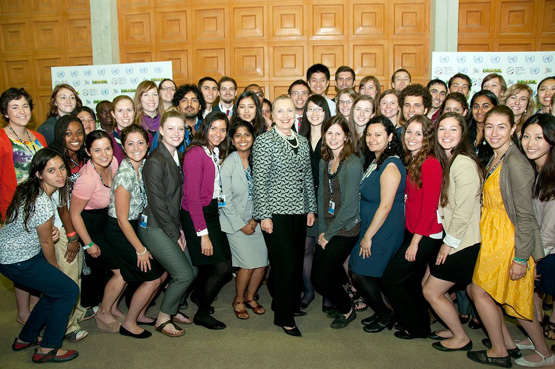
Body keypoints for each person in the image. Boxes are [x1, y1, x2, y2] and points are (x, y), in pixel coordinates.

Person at [468, 106, 552, 367]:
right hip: (493, 235)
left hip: (507, 238)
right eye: (489, 126)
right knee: (502, 295)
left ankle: (501, 351)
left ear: (513, 129)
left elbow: (526, 217)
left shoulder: (516, 164)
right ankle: (507, 344)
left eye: (501, 127)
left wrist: (520, 257)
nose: (494, 132)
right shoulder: (498, 157)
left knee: (484, 292)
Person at [0, 148, 79, 363]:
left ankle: (26, 338)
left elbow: (32, 227)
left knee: (54, 292)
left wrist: (50, 231)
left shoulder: (30, 190)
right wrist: (54, 267)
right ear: (39, 174)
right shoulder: (42, 201)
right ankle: (48, 348)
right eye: (51, 170)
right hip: (18, 260)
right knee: (68, 290)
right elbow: (46, 242)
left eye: (61, 168)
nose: (60, 174)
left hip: (11, 254)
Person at [252, 95, 317, 337]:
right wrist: (264, 215)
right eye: (280, 111)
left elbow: (307, 178)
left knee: (294, 263)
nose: (285, 115)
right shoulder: (264, 141)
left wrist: (311, 208)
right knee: (285, 265)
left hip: (299, 213)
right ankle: (284, 317)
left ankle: (284, 304)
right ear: (272, 115)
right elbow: (259, 182)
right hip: (275, 214)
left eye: (289, 111)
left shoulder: (302, 141)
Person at [421, 112, 483, 351]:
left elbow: (464, 211)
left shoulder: (464, 163)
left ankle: (461, 337)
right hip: (452, 238)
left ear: (462, 133)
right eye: (442, 129)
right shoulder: (449, 160)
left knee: (431, 290)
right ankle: (452, 325)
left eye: (453, 129)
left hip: (463, 242)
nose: (446, 134)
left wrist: (449, 243)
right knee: (431, 283)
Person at [381, 115, 443, 340]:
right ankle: (419, 324)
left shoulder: (431, 163)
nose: (412, 137)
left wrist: (415, 242)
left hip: (425, 234)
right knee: (410, 282)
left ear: (427, 137)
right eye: (409, 132)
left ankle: (414, 325)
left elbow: (429, 208)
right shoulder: (413, 160)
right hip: (413, 229)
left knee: (392, 278)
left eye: (419, 133)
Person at [106, 124, 167, 338]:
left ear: (148, 145)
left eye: (140, 142)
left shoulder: (141, 167)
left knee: (162, 271)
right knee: (152, 277)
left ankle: (140, 313)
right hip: (121, 230)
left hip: (136, 226)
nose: (136, 147)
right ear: (123, 146)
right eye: (130, 143)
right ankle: (129, 323)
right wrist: (140, 250)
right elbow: (122, 220)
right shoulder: (125, 175)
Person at [138, 110, 195, 337]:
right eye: (170, 128)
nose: (176, 133)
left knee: (193, 268)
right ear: (160, 131)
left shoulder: (175, 156)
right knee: (184, 274)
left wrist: (179, 229)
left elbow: (175, 202)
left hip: (170, 224)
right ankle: (163, 318)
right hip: (153, 227)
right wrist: (175, 234)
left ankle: (173, 309)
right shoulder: (155, 161)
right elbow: (159, 205)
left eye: (180, 129)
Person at [349, 116, 406, 333]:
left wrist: (368, 236)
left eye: (378, 135)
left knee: (360, 273)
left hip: (383, 228)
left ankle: (386, 314)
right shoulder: (376, 160)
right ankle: (382, 310)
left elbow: (386, 206)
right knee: (360, 270)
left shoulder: (391, 164)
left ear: (390, 137)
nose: (372, 139)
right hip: (371, 225)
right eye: (369, 134)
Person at [0, 87, 47, 326]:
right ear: (6, 112)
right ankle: (22, 311)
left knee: (36, 257)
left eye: (25, 106)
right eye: (15, 107)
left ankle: (33, 302)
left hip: (39, 207)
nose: (21, 111)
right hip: (15, 211)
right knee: (23, 261)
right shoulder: (1, 139)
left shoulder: (38, 137)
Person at [181, 111, 232, 330]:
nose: (218, 134)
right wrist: (203, 235)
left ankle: (199, 296)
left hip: (211, 211)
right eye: (214, 129)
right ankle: (201, 313)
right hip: (197, 214)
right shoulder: (195, 153)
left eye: (223, 130)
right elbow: (192, 198)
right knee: (222, 267)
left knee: (212, 265)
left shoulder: (214, 151)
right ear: (205, 128)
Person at [70, 130, 124, 333]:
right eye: (97, 150)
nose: (104, 154)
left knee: (127, 263)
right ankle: (103, 312)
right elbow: (74, 214)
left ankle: (113, 306)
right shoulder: (87, 179)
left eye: (108, 148)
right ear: (88, 151)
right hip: (91, 227)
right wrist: (88, 243)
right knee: (122, 272)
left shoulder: (114, 164)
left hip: (108, 222)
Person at [312, 116, 362, 329]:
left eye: (338, 133)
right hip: (329, 227)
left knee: (321, 276)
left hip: (347, 228)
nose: (333, 138)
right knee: (319, 274)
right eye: (329, 133)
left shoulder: (353, 163)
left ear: (346, 136)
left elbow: (350, 207)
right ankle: (344, 300)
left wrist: (329, 234)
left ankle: (347, 308)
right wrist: (322, 232)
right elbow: (322, 198)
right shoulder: (325, 161)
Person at [219, 120, 268, 320]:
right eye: (238, 135)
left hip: (255, 220)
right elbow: (225, 201)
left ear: (253, 138)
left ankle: (250, 297)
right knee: (247, 265)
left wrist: (255, 221)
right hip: (234, 222)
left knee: (262, 263)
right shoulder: (228, 163)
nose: (243, 139)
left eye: (247, 134)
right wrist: (242, 225)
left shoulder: (259, 160)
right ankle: (238, 299)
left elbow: (264, 193)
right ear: (232, 140)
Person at [50, 115, 90, 342]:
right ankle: (67, 326)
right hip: (63, 229)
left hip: (79, 225)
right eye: (68, 133)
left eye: (78, 133)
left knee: (78, 274)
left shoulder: (81, 158)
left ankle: (76, 313)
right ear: (60, 135)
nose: (75, 138)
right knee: (68, 278)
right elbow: (63, 204)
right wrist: (72, 236)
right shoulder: (58, 161)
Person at [520, 114, 555, 342]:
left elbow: (550, 230)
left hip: (547, 250)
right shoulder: (535, 170)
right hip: (540, 247)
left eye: (538, 137)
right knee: (532, 294)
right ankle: (537, 334)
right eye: (526, 136)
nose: (530, 143)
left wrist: (532, 258)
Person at [298, 95, 331, 310]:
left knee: (327, 248)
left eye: (319, 109)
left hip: (327, 202)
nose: (315, 113)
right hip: (303, 203)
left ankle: (328, 290)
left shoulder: (333, 136)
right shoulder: (299, 138)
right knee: (306, 247)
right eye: (310, 109)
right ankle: (308, 289)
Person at [468, 90, 499, 165]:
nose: (479, 111)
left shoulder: (498, 135)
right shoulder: (464, 131)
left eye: (485, 106)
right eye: (476, 106)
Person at [109, 95, 137, 163]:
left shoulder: (146, 137)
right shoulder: (108, 140)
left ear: (134, 112)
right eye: (120, 111)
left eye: (129, 110)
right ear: (113, 114)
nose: (125, 115)